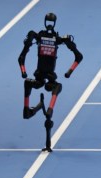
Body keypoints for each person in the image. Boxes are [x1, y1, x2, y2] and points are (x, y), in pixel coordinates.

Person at [18, 12, 82, 152]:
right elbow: (78, 56)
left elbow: (21, 57)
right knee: (57, 87)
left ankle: (37, 109)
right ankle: (46, 110)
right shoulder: (56, 39)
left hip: (40, 76)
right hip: (47, 77)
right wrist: (69, 71)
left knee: (29, 83)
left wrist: (23, 71)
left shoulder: (38, 36)